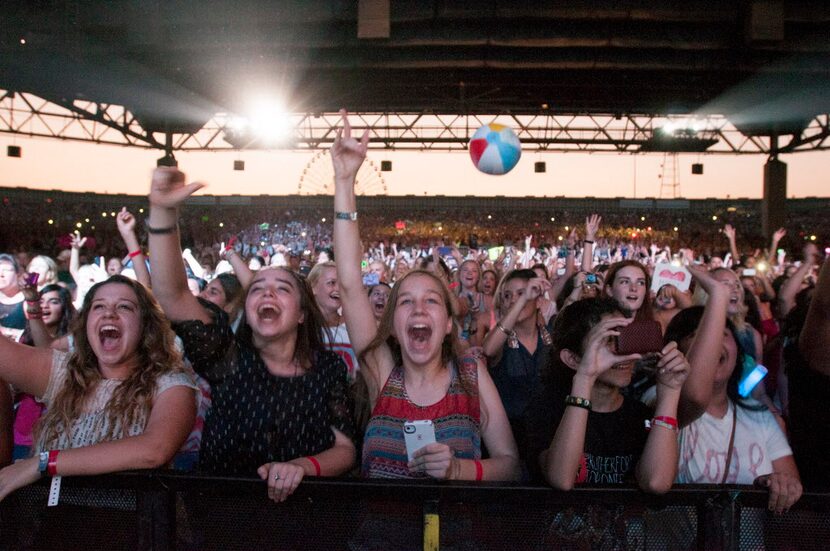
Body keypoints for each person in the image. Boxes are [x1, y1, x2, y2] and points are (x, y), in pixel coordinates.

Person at [146, 166, 356, 503]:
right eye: (257, 288)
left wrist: (301, 466)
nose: (267, 294)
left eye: (282, 288)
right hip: (225, 518)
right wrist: (162, 211)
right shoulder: (226, 358)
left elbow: (344, 449)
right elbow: (172, 295)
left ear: (302, 313)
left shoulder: (328, 368)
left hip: (304, 521)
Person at [332, 110, 519, 481]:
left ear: (449, 323)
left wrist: (458, 469)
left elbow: (510, 463)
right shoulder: (382, 373)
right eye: (406, 301)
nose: (418, 307)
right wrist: (343, 181)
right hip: (381, 538)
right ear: (393, 324)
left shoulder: (470, 374)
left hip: (455, 537)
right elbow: (351, 283)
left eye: (431, 300)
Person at [0, 275, 197, 501]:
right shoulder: (63, 373)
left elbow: (155, 449)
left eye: (124, 307)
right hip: (52, 527)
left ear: (146, 325)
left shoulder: (171, 384)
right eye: (99, 306)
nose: (109, 313)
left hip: (134, 529)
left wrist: (44, 463)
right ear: (85, 323)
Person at [526, 297, 688, 492]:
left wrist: (670, 391)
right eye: (607, 340)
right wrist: (584, 377)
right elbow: (562, 478)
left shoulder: (639, 414)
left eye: (624, 337)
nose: (620, 351)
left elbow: (656, 483)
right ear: (572, 358)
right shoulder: (545, 409)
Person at [482, 269, 553, 465]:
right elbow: (487, 350)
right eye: (507, 296)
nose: (513, 300)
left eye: (522, 293)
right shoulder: (499, 342)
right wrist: (521, 301)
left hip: (548, 441)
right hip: (506, 445)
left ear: (538, 301)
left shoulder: (551, 336)